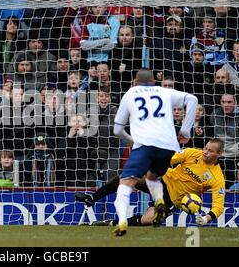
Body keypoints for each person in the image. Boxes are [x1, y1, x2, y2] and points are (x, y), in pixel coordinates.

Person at [112, 69, 198, 236]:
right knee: (153, 176)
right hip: (168, 146)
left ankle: (122, 221)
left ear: (135, 82)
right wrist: (186, 131)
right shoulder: (164, 91)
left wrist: (133, 142)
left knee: (125, 183)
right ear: (153, 81)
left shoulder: (131, 93)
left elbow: (117, 130)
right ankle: (159, 200)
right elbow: (192, 99)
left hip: (144, 144)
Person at [75, 139, 226, 227]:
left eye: (210, 151)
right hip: (162, 181)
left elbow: (219, 206)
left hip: (174, 199)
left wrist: (207, 218)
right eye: (205, 148)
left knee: (149, 220)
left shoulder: (217, 178)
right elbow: (170, 159)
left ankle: (109, 223)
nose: (205, 152)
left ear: (219, 154)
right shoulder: (193, 153)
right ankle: (91, 198)